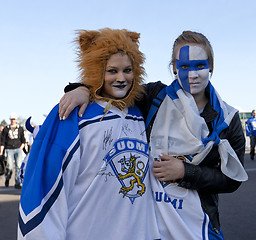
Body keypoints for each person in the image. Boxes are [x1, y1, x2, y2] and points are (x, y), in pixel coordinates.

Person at [59, 30, 248, 240]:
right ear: (174, 67)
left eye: (200, 65)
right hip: (151, 226)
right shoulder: (154, 97)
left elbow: (231, 180)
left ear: (210, 66)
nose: (192, 75)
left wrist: (185, 172)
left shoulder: (228, 119)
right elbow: (115, 86)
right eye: (184, 66)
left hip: (199, 228)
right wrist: (83, 89)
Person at [18, 28, 160, 240]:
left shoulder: (141, 113)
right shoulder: (73, 115)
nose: (121, 78)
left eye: (127, 70)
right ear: (96, 70)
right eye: (112, 71)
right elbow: (44, 189)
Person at [0, 113, 25, 188]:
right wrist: (1, 152)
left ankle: (17, 183)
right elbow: (2, 141)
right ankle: (7, 178)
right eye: (12, 119)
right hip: (9, 149)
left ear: (16, 119)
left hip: (18, 149)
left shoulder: (20, 128)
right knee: (9, 167)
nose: (13, 120)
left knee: (18, 166)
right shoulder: (6, 128)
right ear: (10, 120)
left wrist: (21, 148)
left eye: (14, 119)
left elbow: (23, 140)